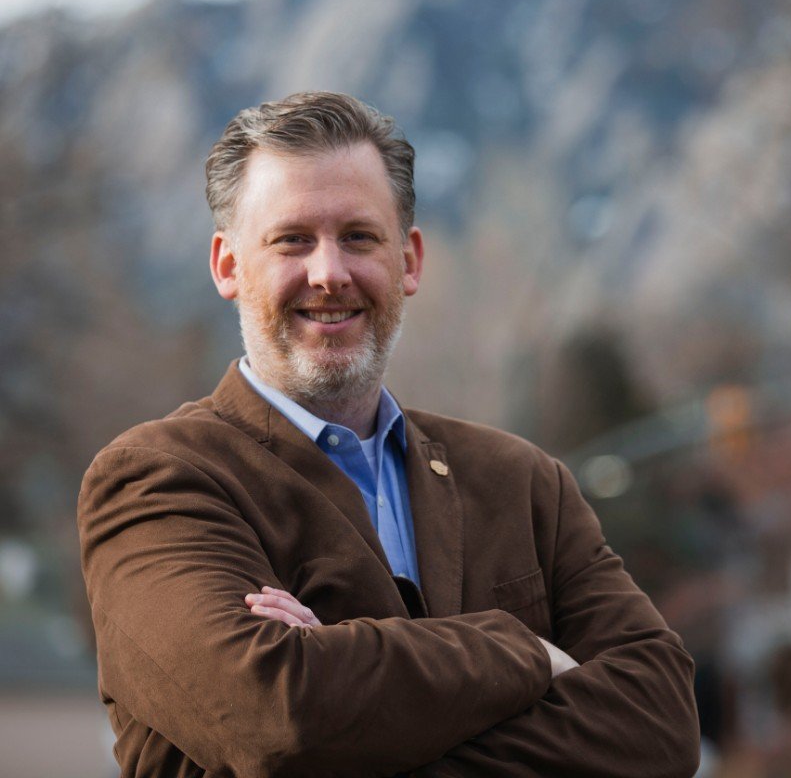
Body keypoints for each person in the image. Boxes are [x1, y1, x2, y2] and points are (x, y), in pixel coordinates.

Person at [78, 91, 700, 777]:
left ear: (408, 261)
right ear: (228, 266)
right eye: (292, 240)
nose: (329, 273)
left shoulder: (522, 482)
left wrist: (349, 698)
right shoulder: (155, 480)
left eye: (359, 237)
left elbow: (661, 723)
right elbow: (274, 713)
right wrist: (526, 654)